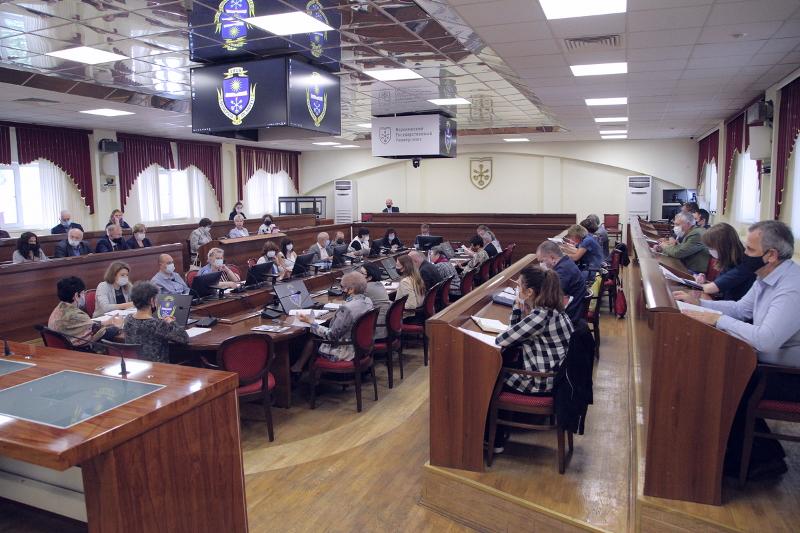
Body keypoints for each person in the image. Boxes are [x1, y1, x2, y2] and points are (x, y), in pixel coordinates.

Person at [674, 220, 800, 479]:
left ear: (771, 255)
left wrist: (717, 320)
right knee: (720, 372)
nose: (744, 254)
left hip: (789, 375)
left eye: (750, 250)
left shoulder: (791, 287)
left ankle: (754, 460)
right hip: (769, 363)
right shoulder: (766, 275)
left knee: (726, 379)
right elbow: (741, 309)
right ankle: (756, 454)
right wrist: (698, 305)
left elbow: (766, 340)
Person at [492, 267, 574, 450]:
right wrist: (520, 307)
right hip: (558, 377)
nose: (517, 289)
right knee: (506, 360)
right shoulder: (554, 309)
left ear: (529, 292)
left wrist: (516, 305)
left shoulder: (540, 315)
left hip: (543, 382)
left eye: (519, 286)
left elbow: (503, 339)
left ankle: (495, 440)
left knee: (490, 377)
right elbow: (516, 335)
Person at [292, 271, 374, 371]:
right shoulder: (368, 301)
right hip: (364, 347)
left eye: (343, 287)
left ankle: (300, 370)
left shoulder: (347, 309)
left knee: (311, 339)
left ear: (351, 289)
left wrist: (311, 322)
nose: (341, 290)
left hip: (346, 352)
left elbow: (331, 335)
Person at [123, 281, 189, 363]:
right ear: (152, 301)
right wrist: (171, 322)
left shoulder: (128, 319)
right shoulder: (158, 325)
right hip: (157, 368)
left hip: (136, 366)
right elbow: (184, 338)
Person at [48, 276, 120, 349]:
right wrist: (117, 327)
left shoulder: (59, 308)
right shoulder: (76, 315)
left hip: (60, 351)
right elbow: (100, 333)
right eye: (83, 293)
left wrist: (105, 322)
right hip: (78, 352)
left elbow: (85, 324)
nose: (84, 296)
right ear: (76, 296)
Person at [692, 223, 755, 301]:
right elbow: (719, 284)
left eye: (711, 248)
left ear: (723, 247)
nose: (710, 251)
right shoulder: (728, 260)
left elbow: (717, 287)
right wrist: (704, 282)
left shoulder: (743, 264)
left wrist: (703, 286)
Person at [536, 241, 585, 325]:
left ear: (552, 258)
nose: (541, 264)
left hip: (568, 317)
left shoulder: (562, 272)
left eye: (542, 261)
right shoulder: (566, 263)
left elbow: (549, 298)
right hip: (573, 311)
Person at [361, 263, 390, 339]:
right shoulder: (379, 284)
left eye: (362, 274)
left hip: (376, 330)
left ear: (369, 277)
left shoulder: (366, 289)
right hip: (384, 327)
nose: (359, 276)